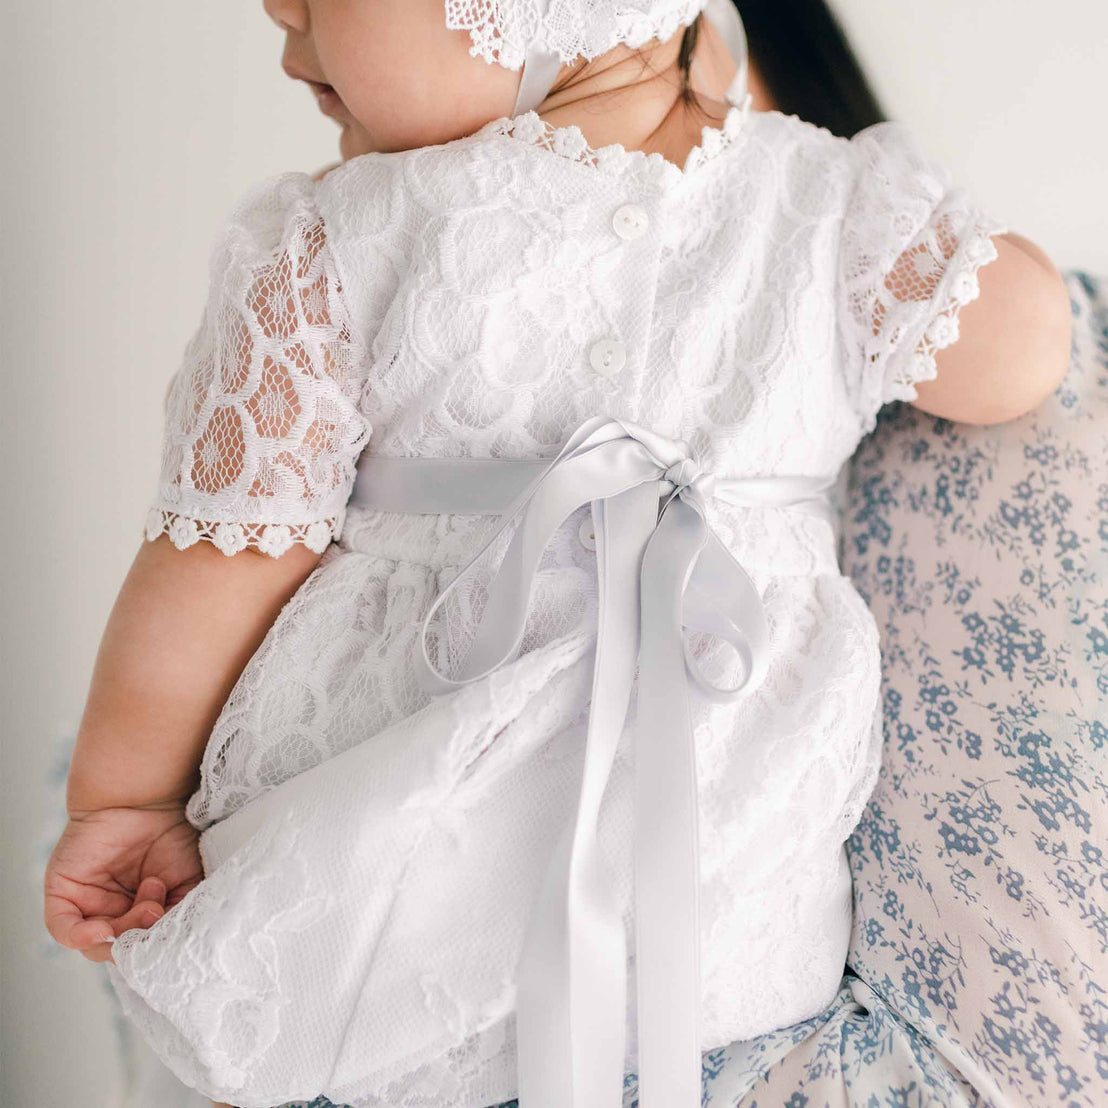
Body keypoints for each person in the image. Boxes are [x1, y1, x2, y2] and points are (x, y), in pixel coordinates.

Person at [42, 2, 1073, 1107]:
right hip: (717, 900)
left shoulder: (344, 239)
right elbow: (1023, 352)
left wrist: (126, 800)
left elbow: (223, 550)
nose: (277, 7)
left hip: (417, 904)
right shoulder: (822, 208)